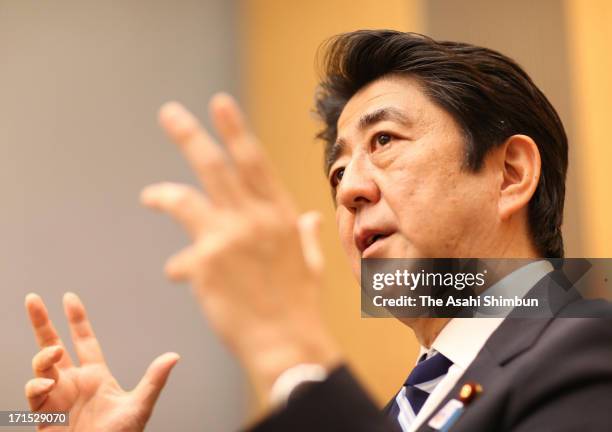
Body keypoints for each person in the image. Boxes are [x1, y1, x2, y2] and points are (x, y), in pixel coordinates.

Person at [23, 30, 612, 431]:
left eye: (385, 141)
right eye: (337, 172)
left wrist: (287, 347)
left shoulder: (590, 351)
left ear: (510, 174)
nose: (350, 190)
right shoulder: (393, 413)